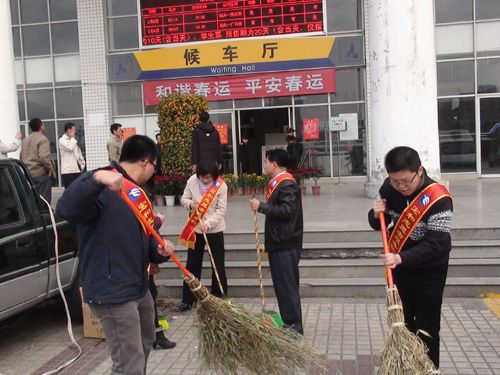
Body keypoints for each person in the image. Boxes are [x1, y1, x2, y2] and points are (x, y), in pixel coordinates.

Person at [56, 135, 175, 375]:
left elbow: (144, 237)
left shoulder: (139, 193)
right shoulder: (102, 183)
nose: (154, 171)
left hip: (138, 286)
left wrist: (158, 250)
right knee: (127, 362)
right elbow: (65, 208)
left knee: (145, 343)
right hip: (113, 290)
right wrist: (96, 177)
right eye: (155, 166)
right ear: (145, 162)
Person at [368, 146, 453, 369]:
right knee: (403, 325)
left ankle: (429, 370)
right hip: (401, 272)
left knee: (427, 329)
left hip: (429, 273)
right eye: (396, 181)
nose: (401, 187)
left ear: (420, 171)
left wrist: (400, 258)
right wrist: (376, 214)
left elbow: (438, 244)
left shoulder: (438, 197)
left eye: (406, 181)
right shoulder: (389, 187)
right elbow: (379, 223)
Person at [249, 149, 304, 334]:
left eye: (266, 161)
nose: (264, 165)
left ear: (274, 164)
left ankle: (295, 327)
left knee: (287, 287)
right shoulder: (278, 183)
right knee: (282, 287)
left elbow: (287, 211)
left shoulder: (287, 184)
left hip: (286, 243)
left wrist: (262, 207)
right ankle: (289, 323)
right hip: (279, 242)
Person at [179, 161, 228, 311]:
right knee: (192, 265)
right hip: (196, 229)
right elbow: (183, 198)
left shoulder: (221, 186)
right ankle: (189, 299)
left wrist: (209, 223)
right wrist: (189, 204)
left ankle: (219, 297)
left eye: (209, 177)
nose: (206, 180)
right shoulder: (192, 181)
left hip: (214, 229)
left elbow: (221, 209)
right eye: (203, 177)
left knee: (217, 264)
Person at [20, 118, 55, 203]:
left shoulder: (25, 140)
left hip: (28, 174)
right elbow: (44, 157)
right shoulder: (42, 139)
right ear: (41, 125)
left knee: (32, 200)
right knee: (44, 201)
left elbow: (21, 156)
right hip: (41, 174)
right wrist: (50, 168)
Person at [58, 122, 85, 188]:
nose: (75, 131)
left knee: (78, 191)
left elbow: (78, 153)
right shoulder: (62, 140)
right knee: (69, 192)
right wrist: (73, 138)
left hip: (76, 170)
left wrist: (82, 164)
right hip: (67, 171)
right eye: (74, 130)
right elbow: (69, 148)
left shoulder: (73, 140)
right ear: (68, 130)